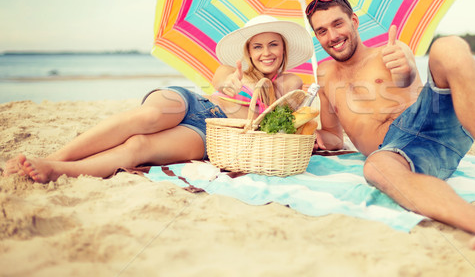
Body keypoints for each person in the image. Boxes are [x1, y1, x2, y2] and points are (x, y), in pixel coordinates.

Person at [305, 0, 475, 249]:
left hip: (430, 121)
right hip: (401, 155)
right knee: (374, 168)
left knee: (447, 47)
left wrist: (405, 69)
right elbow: (333, 135)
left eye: (337, 24)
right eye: (321, 31)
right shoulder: (324, 75)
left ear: (354, 21)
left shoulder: (390, 51)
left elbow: (406, 77)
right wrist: (318, 139)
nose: (332, 36)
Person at [4, 15, 314, 183]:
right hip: (195, 103)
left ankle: (56, 169)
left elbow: (279, 121)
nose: (267, 52)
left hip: (213, 133)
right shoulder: (231, 69)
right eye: (257, 47)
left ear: (284, 49)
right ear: (248, 51)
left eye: (273, 45)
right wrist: (234, 85)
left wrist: (266, 89)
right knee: (148, 118)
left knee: (139, 146)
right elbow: (223, 85)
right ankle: (59, 155)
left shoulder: (291, 82)